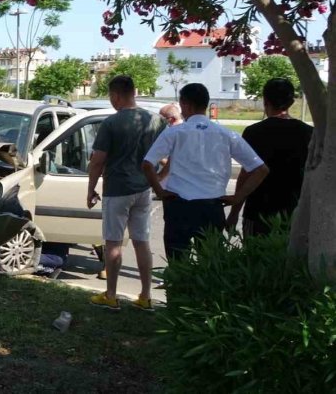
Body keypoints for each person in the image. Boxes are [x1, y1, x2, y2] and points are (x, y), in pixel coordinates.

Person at [143, 83, 270, 262]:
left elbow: (147, 164)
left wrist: (160, 191)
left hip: (178, 205)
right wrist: (237, 197)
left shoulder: (175, 132)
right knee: (210, 265)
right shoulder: (226, 134)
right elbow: (260, 169)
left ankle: (180, 289)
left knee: (178, 264)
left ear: (185, 104)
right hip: (211, 206)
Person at [87, 75, 166, 311]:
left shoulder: (111, 123)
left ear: (116, 95)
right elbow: (167, 156)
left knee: (113, 242)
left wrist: (91, 188)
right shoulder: (157, 121)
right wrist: (159, 179)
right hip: (143, 189)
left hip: (117, 188)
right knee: (142, 242)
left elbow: (97, 161)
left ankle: (111, 295)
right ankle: (145, 296)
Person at [227, 78, 313, 236]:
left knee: (255, 257)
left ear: (265, 101)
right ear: (292, 102)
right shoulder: (308, 133)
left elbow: (245, 175)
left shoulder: (254, 132)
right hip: (295, 214)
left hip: (258, 212)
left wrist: (234, 213)